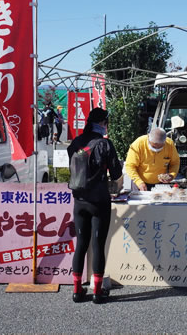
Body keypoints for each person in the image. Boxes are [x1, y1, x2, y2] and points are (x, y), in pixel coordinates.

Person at [66, 108, 122, 304]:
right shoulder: (105, 144)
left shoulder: (75, 143)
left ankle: (76, 291)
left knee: (80, 245)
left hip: (79, 200)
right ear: (103, 124)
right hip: (99, 201)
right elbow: (116, 174)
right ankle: (98, 293)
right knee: (97, 245)